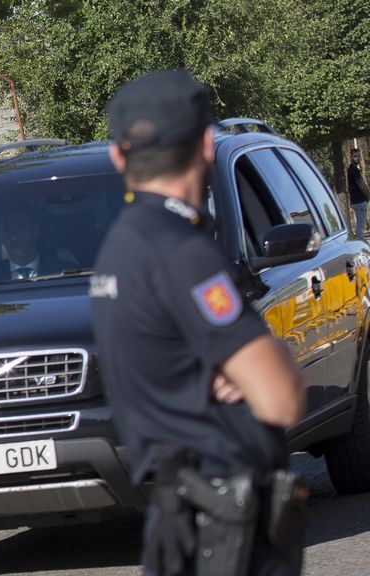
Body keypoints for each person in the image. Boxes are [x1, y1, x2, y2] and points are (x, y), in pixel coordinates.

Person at [90, 70, 307, 576]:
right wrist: (260, 365)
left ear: (118, 156)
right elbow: (282, 397)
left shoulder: (118, 250)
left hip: (184, 518)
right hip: (225, 528)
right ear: (208, 144)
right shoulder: (182, 251)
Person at [0, 210, 65, 282]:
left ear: (35, 231)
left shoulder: (64, 272)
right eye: (7, 229)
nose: (14, 237)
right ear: (0, 237)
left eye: (21, 227)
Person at [347, 148, 368, 237]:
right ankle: (360, 243)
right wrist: (368, 196)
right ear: (351, 157)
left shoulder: (353, 169)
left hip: (356, 201)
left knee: (360, 223)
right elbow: (361, 184)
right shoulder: (353, 170)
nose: (357, 158)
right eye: (355, 156)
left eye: (359, 156)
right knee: (360, 225)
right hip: (359, 201)